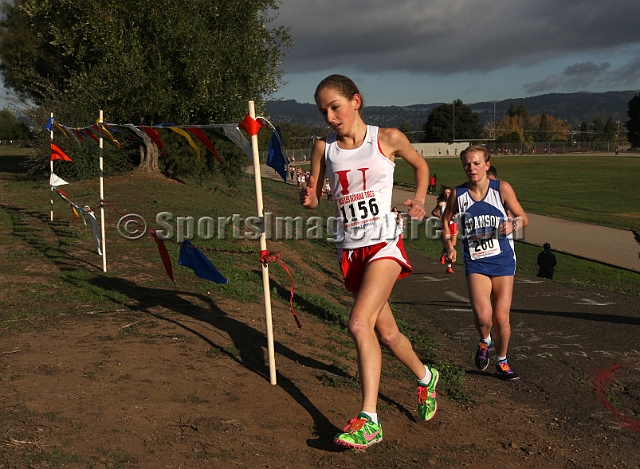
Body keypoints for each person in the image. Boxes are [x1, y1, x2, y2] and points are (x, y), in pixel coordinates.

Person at [300, 74, 439, 449]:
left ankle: (369, 420)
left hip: (385, 244)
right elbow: (315, 196)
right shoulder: (323, 149)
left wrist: (420, 201)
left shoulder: (387, 138)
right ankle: (427, 378)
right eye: (323, 111)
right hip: (350, 250)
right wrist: (308, 197)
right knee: (387, 334)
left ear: (355, 101)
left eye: (335, 107)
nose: (329, 116)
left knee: (359, 323)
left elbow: (420, 167)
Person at [442, 145, 529, 381]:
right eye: (467, 164)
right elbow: (445, 221)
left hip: (502, 261)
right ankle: (484, 341)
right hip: (476, 262)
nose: (472, 168)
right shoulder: (458, 195)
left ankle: (502, 361)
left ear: (487, 165)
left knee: (501, 318)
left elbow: (523, 218)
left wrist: (514, 225)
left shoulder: (501, 189)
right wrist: (449, 246)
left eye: (477, 163)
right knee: (483, 317)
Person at [431, 187, 457, 274]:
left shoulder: (455, 203)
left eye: (449, 193)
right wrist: (440, 217)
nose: (447, 195)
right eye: (445, 193)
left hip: (453, 224)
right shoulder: (441, 204)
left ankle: (445, 254)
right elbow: (433, 212)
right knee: (449, 246)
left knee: (453, 245)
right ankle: (449, 267)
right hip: (445, 225)